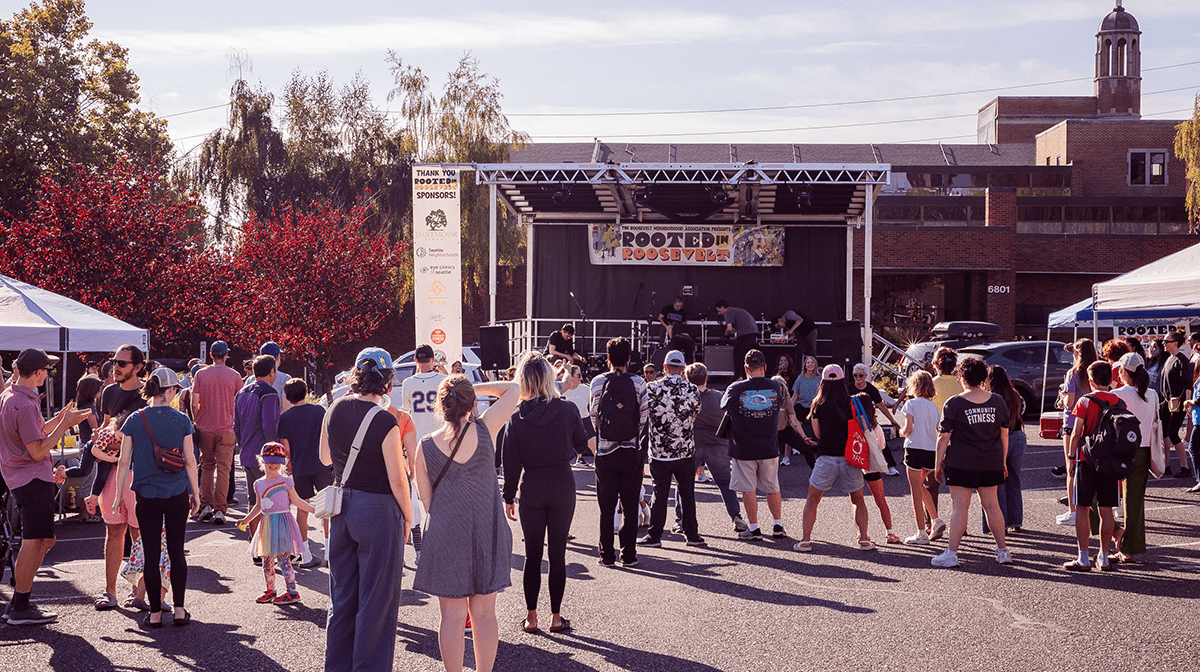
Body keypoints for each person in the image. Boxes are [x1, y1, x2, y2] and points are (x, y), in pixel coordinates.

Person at [413, 374, 520, 672]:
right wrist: (474, 389)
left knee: (451, 616)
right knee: (485, 614)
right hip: (487, 528)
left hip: (447, 531)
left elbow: (427, 500)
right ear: (471, 403)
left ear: (441, 406)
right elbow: (514, 389)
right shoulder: (487, 427)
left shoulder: (425, 446)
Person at [321, 348, 412, 672]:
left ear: (355, 376)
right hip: (377, 510)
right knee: (377, 602)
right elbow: (398, 478)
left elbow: (324, 458)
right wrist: (409, 516)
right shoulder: (385, 420)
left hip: (341, 509)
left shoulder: (334, 408)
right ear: (388, 382)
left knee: (342, 598)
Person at [0, 349, 92, 625]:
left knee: (45, 540)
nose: (48, 374)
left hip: (25, 478)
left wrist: (61, 421)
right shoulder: (24, 404)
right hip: (31, 479)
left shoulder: (12, 396)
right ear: (38, 372)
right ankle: (20, 606)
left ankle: (19, 603)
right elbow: (37, 450)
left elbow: (35, 433)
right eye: (47, 370)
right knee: (35, 542)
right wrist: (63, 425)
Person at [499, 352, 584, 634]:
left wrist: (508, 496)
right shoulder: (568, 409)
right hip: (562, 483)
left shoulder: (516, 418)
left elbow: (510, 463)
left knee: (533, 555)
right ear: (550, 378)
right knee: (558, 553)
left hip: (531, 486)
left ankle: (531, 617)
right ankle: (556, 618)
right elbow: (582, 443)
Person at [112, 367, 201, 626]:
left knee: (150, 553)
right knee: (176, 551)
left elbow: (123, 460)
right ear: (171, 389)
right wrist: (195, 492)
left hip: (146, 494)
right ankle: (181, 610)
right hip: (176, 493)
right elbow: (190, 461)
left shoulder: (134, 419)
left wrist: (119, 495)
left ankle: (154, 614)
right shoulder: (182, 420)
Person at [931, 357, 1012, 568]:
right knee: (992, 506)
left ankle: (951, 553)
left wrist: (937, 464)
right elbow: (1004, 435)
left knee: (960, 508)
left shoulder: (954, 403)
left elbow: (943, 437)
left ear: (962, 376)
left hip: (961, 462)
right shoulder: (997, 401)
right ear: (983, 377)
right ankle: (1003, 551)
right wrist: (1002, 461)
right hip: (991, 460)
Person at [795, 365, 873, 552]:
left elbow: (817, 433)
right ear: (842, 381)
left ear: (822, 382)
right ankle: (863, 539)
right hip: (850, 458)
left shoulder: (817, 404)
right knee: (858, 499)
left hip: (826, 458)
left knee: (812, 500)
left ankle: (805, 540)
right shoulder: (852, 402)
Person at [589, 337, 649, 567]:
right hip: (631, 451)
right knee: (630, 503)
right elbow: (643, 417)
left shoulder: (596, 382)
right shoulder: (639, 383)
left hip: (605, 452)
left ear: (607, 358)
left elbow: (594, 415)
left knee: (606, 505)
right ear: (630, 359)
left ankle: (606, 555)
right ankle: (629, 554)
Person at [638, 350, 704, 549]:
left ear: (665, 368)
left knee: (659, 493)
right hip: (684, 450)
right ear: (683, 369)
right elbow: (695, 415)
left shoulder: (651, 388)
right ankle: (692, 535)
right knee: (687, 493)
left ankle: (655, 536)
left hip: (659, 451)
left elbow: (644, 414)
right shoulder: (692, 390)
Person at [1062, 360, 1123, 572]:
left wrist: (1070, 458)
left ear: (1090, 380)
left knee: (1082, 507)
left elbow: (1076, 433)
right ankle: (1104, 556)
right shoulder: (1118, 401)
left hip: (1086, 459)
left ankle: (1083, 557)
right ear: (1111, 380)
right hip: (1111, 461)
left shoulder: (1085, 402)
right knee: (1106, 509)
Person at [237, 442, 314, 605]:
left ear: (283, 463)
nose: (272, 464)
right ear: (262, 461)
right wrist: (246, 520)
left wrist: (315, 510)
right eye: (269, 460)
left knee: (284, 560)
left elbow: (297, 501)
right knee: (267, 561)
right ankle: (270, 590)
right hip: (267, 525)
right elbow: (258, 506)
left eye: (276, 461)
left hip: (283, 524)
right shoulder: (258, 484)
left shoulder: (286, 481)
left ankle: (292, 591)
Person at [722, 349, 785, 541]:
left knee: (748, 489)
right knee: (772, 487)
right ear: (765, 367)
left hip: (743, 448)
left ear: (745, 368)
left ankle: (755, 528)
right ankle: (777, 525)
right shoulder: (774, 387)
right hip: (769, 446)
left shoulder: (736, 388)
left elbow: (723, 406)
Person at [683, 363, 746, 531]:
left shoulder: (684, 398)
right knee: (725, 484)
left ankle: (680, 520)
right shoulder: (719, 397)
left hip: (692, 444)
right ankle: (736, 517)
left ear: (687, 379)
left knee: (685, 483)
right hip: (717, 445)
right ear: (706, 378)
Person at [276, 378, 328, 568]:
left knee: (302, 508)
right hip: (322, 464)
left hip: (299, 467)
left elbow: (286, 447)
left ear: (288, 398)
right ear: (306, 392)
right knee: (327, 507)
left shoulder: (285, 418)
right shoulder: (318, 411)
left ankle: (305, 554)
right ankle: (330, 552)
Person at [190, 339, 243, 525]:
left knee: (206, 466)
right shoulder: (235, 376)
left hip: (205, 426)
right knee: (224, 469)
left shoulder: (201, 374)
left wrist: (196, 419)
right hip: (228, 427)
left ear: (211, 355)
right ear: (226, 355)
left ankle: (205, 505)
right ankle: (220, 508)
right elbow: (240, 402)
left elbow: (194, 400)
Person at [1116, 352, 1159, 560]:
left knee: (1096, 496)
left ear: (1124, 372)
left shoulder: (1118, 394)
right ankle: (1129, 548)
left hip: (1120, 450)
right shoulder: (1152, 394)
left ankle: (1116, 534)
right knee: (1135, 501)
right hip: (1143, 450)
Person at [235, 355, 282, 543]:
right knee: (272, 501)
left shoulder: (241, 392)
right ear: (272, 371)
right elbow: (269, 425)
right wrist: (277, 450)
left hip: (247, 452)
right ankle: (269, 544)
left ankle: (254, 542)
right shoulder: (268, 393)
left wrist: (242, 444)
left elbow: (236, 425)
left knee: (253, 500)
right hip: (266, 455)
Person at [897, 371, 944, 545]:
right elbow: (939, 431)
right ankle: (936, 519)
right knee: (922, 487)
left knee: (915, 492)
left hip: (914, 448)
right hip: (930, 451)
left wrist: (902, 432)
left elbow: (908, 428)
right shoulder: (933, 407)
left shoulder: (910, 404)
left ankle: (921, 533)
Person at [1057, 339, 1098, 526]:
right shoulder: (1097, 369)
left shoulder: (1073, 373)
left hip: (1073, 422)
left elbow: (1069, 401)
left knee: (1071, 466)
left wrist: (1063, 395)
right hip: (1094, 421)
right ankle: (1092, 509)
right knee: (1092, 466)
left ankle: (1073, 511)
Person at [983, 365, 1026, 535]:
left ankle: (999, 524)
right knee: (1014, 480)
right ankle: (1016, 521)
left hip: (999, 438)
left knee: (996, 483)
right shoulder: (1015, 394)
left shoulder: (992, 397)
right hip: (1018, 436)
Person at [849, 363, 900, 476]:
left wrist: (892, 420)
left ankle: (890, 465)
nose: (857, 378)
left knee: (880, 441)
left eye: (860, 375)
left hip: (869, 421)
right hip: (854, 421)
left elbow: (881, 406)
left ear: (866, 376)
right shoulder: (849, 388)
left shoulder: (871, 389)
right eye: (855, 375)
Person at [1159, 331, 1193, 480]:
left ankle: (1185, 467)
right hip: (1167, 402)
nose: (1164, 344)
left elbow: (1187, 383)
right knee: (1164, 433)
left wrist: (1186, 402)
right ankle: (1166, 465)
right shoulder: (1169, 359)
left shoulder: (1182, 360)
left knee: (1172, 433)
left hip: (1177, 402)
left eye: (1167, 341)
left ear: (1175, 343)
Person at [399, 344, 446, 442]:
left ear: (415, 360)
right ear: (433, 359)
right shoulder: (443, 380)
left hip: (418, 436)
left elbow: (407, 411)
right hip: (440, 435)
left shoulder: (407, 383)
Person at [774, 374, 816, 468]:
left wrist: (804, 437)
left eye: (780, 386)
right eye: (775, 387)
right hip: (770, 432)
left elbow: (794, 420)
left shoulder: (786, 399)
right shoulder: (768, 400)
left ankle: (817, 476)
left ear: (783, 387)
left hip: (785, 429)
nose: (777, 389)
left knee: (806, 450)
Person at [560, 365, 595, 465]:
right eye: (578, 375)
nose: (581, 378)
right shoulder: (562, 390)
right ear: (570, 376)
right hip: (567, 423)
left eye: (581, 375)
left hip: (585, 421)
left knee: (595, 449)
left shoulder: (586, 389)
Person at [716, 300, 758, 381]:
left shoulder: (728, 312)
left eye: (719, 310)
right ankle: (748, 375)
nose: (719, 313)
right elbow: (735, 329)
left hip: (746, 333)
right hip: (753, 332)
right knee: (747, 354)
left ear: (723, 308)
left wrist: (725, 335)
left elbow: (729, 329)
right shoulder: (736, 310)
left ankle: (738, 375)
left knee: (738, 353)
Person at [791, 355, 821, 422]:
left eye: (812, 362)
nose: (810, 364)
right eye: (808, 362)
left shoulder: (820, 379)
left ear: (815, 365)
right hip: (801, 407)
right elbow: (795, 396)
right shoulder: (800, 379)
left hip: (815, 408)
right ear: (805, 365)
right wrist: (789, 410)